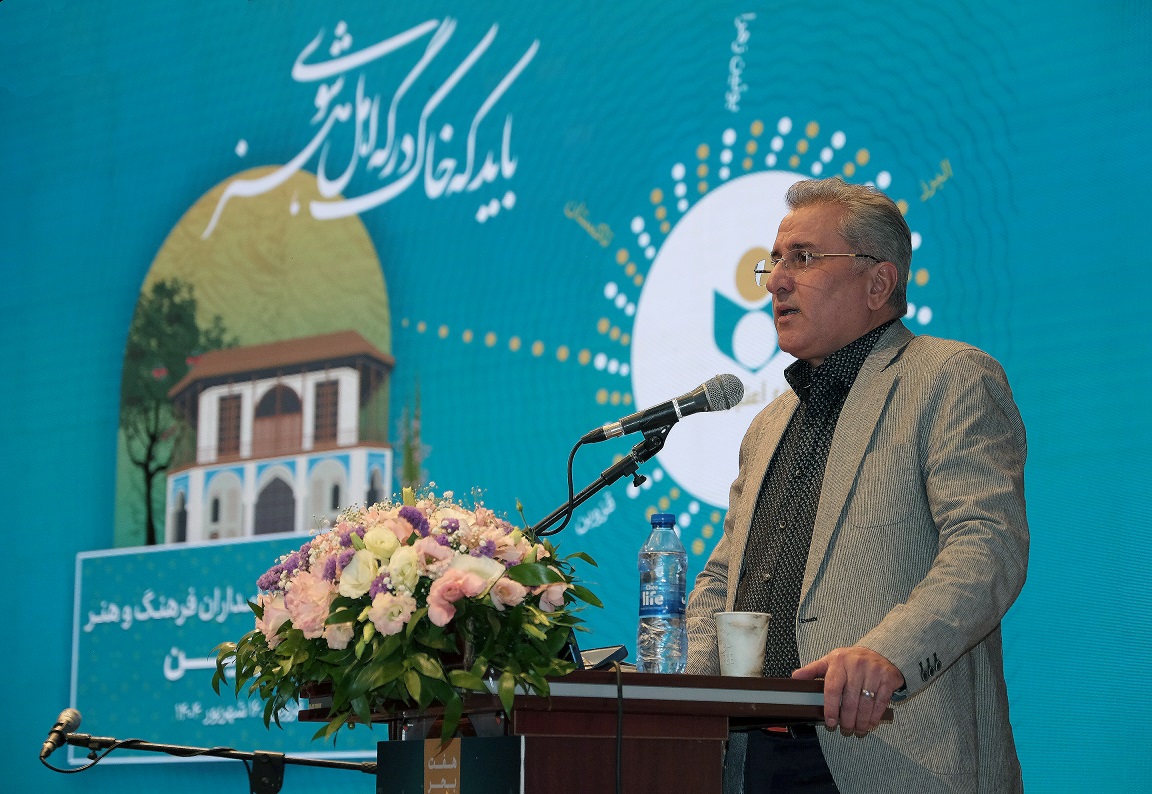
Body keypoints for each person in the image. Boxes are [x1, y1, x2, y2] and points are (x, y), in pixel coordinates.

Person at [685, 176, 1028, 793]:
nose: (776, 280)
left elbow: (986, 548)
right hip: (750, 756)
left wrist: (890, 654)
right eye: (775, 260)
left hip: (891, 751)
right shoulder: (769, 424)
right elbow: (723, 577)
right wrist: (690, 694)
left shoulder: (949, 378)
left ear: (878, 283)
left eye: (803, 258)